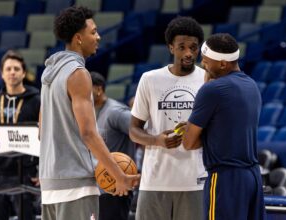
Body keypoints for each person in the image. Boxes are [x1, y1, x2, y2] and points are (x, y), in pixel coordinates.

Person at [39, 6, 140, 220]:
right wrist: (117, 174)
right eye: (93, 32)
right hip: (76, 185)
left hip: (49, 184)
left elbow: (41, 131)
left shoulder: (49, 74)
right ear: (78, 38)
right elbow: (88, 133)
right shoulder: (78, 73)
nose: (98, 37)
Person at [181, 33, 266, 220]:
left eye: (206, 60)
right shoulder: (251, 85)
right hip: (252, 177)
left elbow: (188, 143)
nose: (203, 64)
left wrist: (204, 88)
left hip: (226, 178)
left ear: (222, 64)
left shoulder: (212, 90)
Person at [129, 16, 205, 220]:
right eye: (182, 47)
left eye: (193, 47)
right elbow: (133, 130)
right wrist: (156, 140)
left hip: (195, 181)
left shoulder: (208, 80)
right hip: (154, 181)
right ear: (171, 48)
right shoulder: (150, 79)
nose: (188, 53)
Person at [0, 50, 40, 220]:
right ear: (2, 74)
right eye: (8, 69)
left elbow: (46, 137)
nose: (12, 72)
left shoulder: (36, 100)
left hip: (26, 173)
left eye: (16, 68)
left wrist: (43, 169)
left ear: (23, 73)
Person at [90, 71, 135, 220]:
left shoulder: (116, 112)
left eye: (85, 89)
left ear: (98, 89)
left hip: (116, 188)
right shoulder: (88, 113)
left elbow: (142, 133)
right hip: (97, 187)